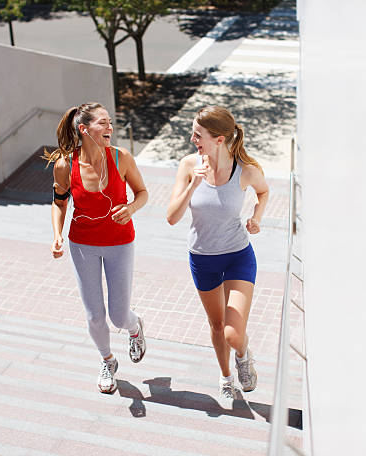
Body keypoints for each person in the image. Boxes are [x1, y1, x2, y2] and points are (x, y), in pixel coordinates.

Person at [166, 106, 269, 399]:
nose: (192, 139)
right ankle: (226, 377)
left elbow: (263, 192)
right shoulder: (188, 166)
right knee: (216, 324)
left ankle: (243, 355)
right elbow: (171, 217)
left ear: (219, 139)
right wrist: (194, 185)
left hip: (238, 255)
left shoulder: (246, 170)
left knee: (232, 333)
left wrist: (257, 218)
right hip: (202, 258)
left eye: (198, 135)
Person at [44, 102, 148, 394]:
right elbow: (59, 202)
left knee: (118, 315)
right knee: (94, 315)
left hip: (120, 242)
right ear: (84, 129)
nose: (110, 128)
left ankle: (135, 326)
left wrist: (130, 208)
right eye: (102, 123)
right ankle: (107, 360)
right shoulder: (66, 165)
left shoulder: (121, 158)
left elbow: (143, 193)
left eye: (110, 122)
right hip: (82, 244)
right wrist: (57, 235)